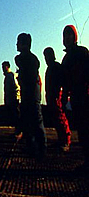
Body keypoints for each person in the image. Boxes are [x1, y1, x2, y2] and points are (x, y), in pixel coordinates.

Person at [61, 24, 89, 170]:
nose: (66, 38)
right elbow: (65, 82)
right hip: (76, 99)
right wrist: (64, 97)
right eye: (64, 35)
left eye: (69, 35)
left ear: (75, 36)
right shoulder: (66, 59)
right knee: (82, 131)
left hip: (86, 96)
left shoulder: (82, 53)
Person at [15, 32, 46, 159]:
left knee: (35, 120)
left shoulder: (28, 59)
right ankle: (34, 147)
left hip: (31, 93)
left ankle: (40, 149)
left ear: (24, 44)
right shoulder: (29, 59)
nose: (16, 45)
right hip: (29, 93)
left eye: (18, 42)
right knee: (30, 120)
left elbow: (30, 78)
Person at [44, 47, 71, 152]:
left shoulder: (56, 67)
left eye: (48, 56)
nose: (46, 58)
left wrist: (63, 95)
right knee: (56, 119)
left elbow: (63, 82)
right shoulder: (51, 68)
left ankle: (66, 141)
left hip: (56, 97)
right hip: (51, 97)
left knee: (61, 119)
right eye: (45, 56)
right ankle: (61, 140)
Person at [2, 60, 21, 137]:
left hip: (13, 99)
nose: (3, 69)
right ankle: (18, 130)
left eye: (4, 67)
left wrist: (15, 97)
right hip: (11, 98)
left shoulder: (10, 75)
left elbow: (15, 87)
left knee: (16, 115)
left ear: (7, 67)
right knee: (14, 115)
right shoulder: (8, 76)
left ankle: (19, 131)